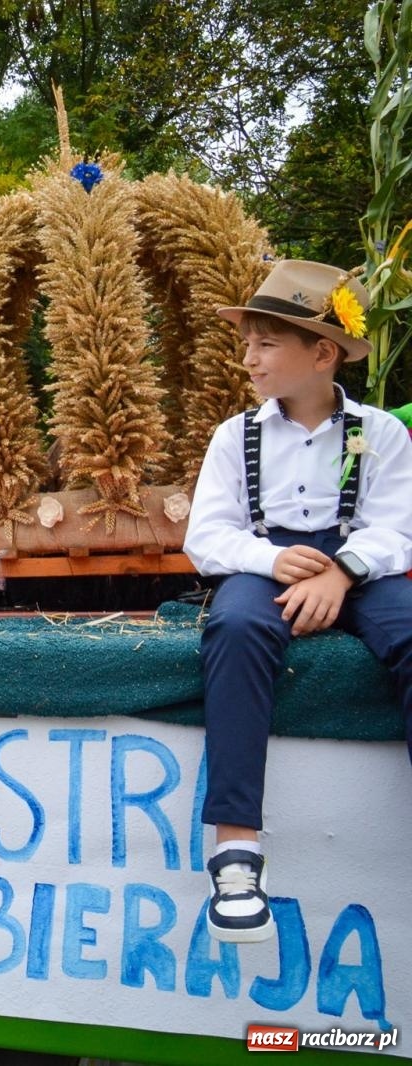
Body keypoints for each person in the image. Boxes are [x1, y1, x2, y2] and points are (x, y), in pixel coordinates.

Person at [184, 259, 412, 943]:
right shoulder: (237, 436)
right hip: (267, 562)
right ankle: (236, 851)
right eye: (247, 343)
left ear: (322, 353)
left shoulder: (381, 433)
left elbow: (396, 523)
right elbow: (208, 536)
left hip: (356, 567)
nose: (249, 358)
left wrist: (341, 573)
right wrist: (272, 560)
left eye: (266, 344)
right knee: (234, 628)